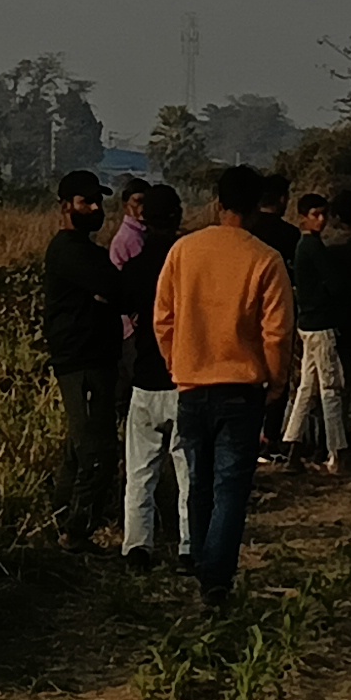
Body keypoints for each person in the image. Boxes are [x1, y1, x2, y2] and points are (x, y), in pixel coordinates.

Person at [149, 166, 297, 605]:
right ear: (255, 208)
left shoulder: (184, 250)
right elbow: (278, 331)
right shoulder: (265, 259)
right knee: (231, 486)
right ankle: (217, 576)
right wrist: (276, 379)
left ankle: (199, 559)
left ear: (218, 202)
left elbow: (163, 318)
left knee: (198, 479)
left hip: (192, 384)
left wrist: (179, 363)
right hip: (241, 388)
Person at [39, 168, 128, 545]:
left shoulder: (86, 253)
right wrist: (106, 294)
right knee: (97, 449)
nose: (94, 208)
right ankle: (76, 530)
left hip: (93, 358)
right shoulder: (70, 252)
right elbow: (115, 288)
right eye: (85, 202)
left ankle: (62, 521)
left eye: (97, 201)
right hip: (82, 361)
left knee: (81, 446)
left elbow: (113, 291)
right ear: (65, 207)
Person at [286, 191, 351, 477]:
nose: (320, 220)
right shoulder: (316, 247)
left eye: (323, 214)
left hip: (309, 322)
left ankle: (292, 447)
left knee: (308, 387)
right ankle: (339, 454)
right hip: (323, 325)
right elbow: (336, 285)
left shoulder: (313, 246)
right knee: (331, 388)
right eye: (315, 215)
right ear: (303, 218)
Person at [114, 177, 188, 561]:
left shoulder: (137, 266)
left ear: (143, 216)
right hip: (184, 379)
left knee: (140, 473)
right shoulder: (189, 265)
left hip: (144, 378)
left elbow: (123, 309)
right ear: (178, 217)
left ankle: (136, 546)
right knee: (187, 470)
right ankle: (190, 547)